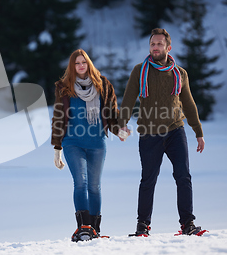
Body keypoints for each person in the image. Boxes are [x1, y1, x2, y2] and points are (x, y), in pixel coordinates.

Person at [117, 28, 206, 237]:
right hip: (149, 133)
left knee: (183, 176)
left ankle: (187, 224)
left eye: (159, 44)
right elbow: (129, 99)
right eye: (152, 44)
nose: (155, 47)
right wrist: (122, 124)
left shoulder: (180, 74)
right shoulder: (140, 70)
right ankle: (142, 225)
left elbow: (189, 104)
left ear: (168, 47)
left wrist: (198, 132)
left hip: (176, 130)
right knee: (148, 179)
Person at [51, 49, 124, 242]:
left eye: (84, 62)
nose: (81, 66)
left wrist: (118, 130)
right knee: (80, 183)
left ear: (89, 64)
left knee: (95, 186)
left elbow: (112, 111)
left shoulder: (103, 84)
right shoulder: (64, 87)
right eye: (77, 63)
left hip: (97, 143)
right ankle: (83, 228)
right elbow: (59, 116)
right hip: (72, 142)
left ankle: (95, 230)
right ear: (72, 66)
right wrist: (57, 147)